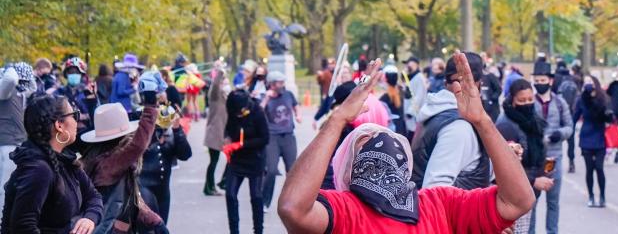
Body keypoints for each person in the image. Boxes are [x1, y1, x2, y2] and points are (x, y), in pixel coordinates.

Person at [277, 54, 535, 234]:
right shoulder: (343, 211)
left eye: (390, 138)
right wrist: (337, 120)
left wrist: (483, 122)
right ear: (346, 168)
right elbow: (293, 208)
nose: (380, 139)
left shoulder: (440, 204)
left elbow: (519, 200)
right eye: (364, 140)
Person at [0, 93, 103, 234]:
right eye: (74, 115)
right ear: (59, 125)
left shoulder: (65, 160)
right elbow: (23, 227)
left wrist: (89, 218)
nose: (76, 122)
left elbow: (93, 196)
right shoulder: (38, 169)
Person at [81, 97, 166, 232]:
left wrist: (154, 220)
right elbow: (138, 145)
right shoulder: (110, 162)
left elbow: (132, 198)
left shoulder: (100, 157)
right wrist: (150, 107)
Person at [412, 52, 491, 189]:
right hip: (452, 210)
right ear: (478, 84)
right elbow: (435, 189)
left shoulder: (436, 111)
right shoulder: (458, 127)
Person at [496, 79, 554, 230]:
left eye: (530, 99)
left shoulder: (534, 120)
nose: (527, 103)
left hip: (531, 191)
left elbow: (540, 147)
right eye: (522, 100)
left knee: (530, 227)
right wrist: (534, 180)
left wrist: (545, 171)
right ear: (513, 100)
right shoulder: (505, 125)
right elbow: (504, 167)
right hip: (515, 194)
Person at [531, 61, 572, 234]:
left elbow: (570, 126)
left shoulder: (560, 102)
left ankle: (552, 232)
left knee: (553, 202)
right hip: (534, 159)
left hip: (554, 159)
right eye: (537, 80)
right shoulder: (529, 101)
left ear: (550, 81)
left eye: (542, 80)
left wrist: (560, 134)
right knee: (530, 201)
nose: (539, 83)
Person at [222, 88, 269, 234]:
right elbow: (228, 129)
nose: (238, 115)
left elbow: (265, 138)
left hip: (255, 158)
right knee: (230, 194)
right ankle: (234, 231)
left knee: (256, 196)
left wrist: (242, 144)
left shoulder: (258, 113)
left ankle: (258, 230)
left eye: (239, 112)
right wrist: (227, 140)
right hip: (237, 160)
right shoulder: (232, 111)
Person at [138, 96, 191, 224]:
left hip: (163, 190)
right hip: (143, 187)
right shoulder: (140, 125)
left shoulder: (170, 132)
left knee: (162, 225)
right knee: (152, 227)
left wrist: (177, 129)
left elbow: (185, 154)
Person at [262, 70, 301, 210]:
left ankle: (292, 201)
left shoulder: (288, 94)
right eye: (279, 82)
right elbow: (259, 113)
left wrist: (298, 115)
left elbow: (295, 105)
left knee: (292, 170)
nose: (282, 84)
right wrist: (266, 99)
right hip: (272, 137)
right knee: (271, 170)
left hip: (288, 136)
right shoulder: (265, 97)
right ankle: (264, 202)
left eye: (283, 82)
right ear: (272, 84)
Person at [0, 61, 34, 213]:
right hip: (6, 146)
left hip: (17, 145)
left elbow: (33, 87)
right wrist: (10, 68)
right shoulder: (4, 91)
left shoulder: (19, 94)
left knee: (14, 188)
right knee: (4, 188)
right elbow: (11, 80)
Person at [572, 75, 611, 207]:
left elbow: (609, 117)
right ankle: (591, 196)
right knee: (589, 169)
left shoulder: (602, 98)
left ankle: (603, 196)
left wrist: (609, 116)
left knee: (599, 168)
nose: (588, 84)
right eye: (586, 82)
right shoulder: (581, 99)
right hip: (586, 137)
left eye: (591, 81)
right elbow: (575, 117)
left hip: (600, 136)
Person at [55, 57, 99, 135]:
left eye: (76, 72)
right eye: (71, 72)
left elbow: (97, 114)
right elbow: (53, 113)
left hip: (86, 132)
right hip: (64, 133)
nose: (73, 74)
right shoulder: (59, 92)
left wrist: (84, 116)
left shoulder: (88, 91)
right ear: (66, 74)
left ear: (81, 75)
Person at [203, 62, 229, 196]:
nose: (226, 85)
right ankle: (209, 187)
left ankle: (221, 182)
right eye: (224, 83)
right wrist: (220, 72)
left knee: (229, 159)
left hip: (222, 135)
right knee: (213, 162)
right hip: (214, 134)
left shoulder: (225, 98)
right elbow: (215, 86)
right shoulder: (215, 97)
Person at [381, 64, 410, 139]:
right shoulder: (402, 92)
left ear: (385, 79)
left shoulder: (384, 98)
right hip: (402, 129)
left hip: (391, 131)